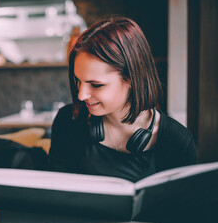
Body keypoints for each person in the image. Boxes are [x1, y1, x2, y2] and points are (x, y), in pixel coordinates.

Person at [48, 15, 197, 182]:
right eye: (78, 81)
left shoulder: (178, 142)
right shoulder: (69, 121)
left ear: (132, 79)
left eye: (96, 84)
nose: (81, 95)